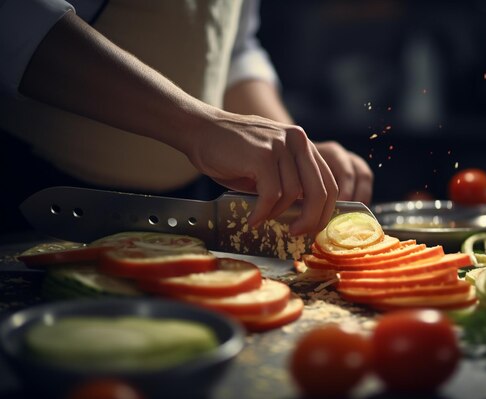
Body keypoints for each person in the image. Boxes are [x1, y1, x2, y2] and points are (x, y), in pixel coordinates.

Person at [0, 0, 373, 236]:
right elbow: (16, 18)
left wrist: (292, 154)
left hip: (186, 205)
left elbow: (233, 48)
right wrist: (199, 125)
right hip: (29, 187)